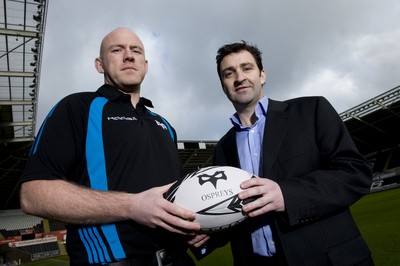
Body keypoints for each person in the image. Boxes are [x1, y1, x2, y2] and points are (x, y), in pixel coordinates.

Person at [19, 27, 200, 266]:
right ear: (100, 65)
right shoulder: (77, 108)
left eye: (136, 50)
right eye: (117, 50)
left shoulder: (165, 124)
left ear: (145, 65)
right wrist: (131, 205)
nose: (129, 55)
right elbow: (32, 195)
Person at [209, 41, 374, 265]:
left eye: (247, 68)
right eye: (229, 73)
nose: (239, 77)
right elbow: (233, 213)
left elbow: (356, 173)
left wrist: (286, 195)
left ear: (262, 75)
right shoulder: (223, 148)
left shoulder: (312, 110)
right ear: (223, 85)